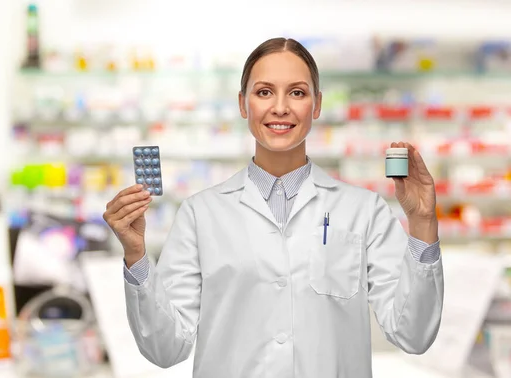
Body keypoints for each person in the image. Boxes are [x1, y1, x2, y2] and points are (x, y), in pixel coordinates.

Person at [103, 37, 444, 378]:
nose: (280, 107)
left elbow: (412, 335)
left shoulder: (363, 211)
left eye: (297, 92)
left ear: (317, 104)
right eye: (264, 92)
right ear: (242, 103)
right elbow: (166, 348)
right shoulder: (200, 214)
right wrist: (136, 257)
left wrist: (423, 223)